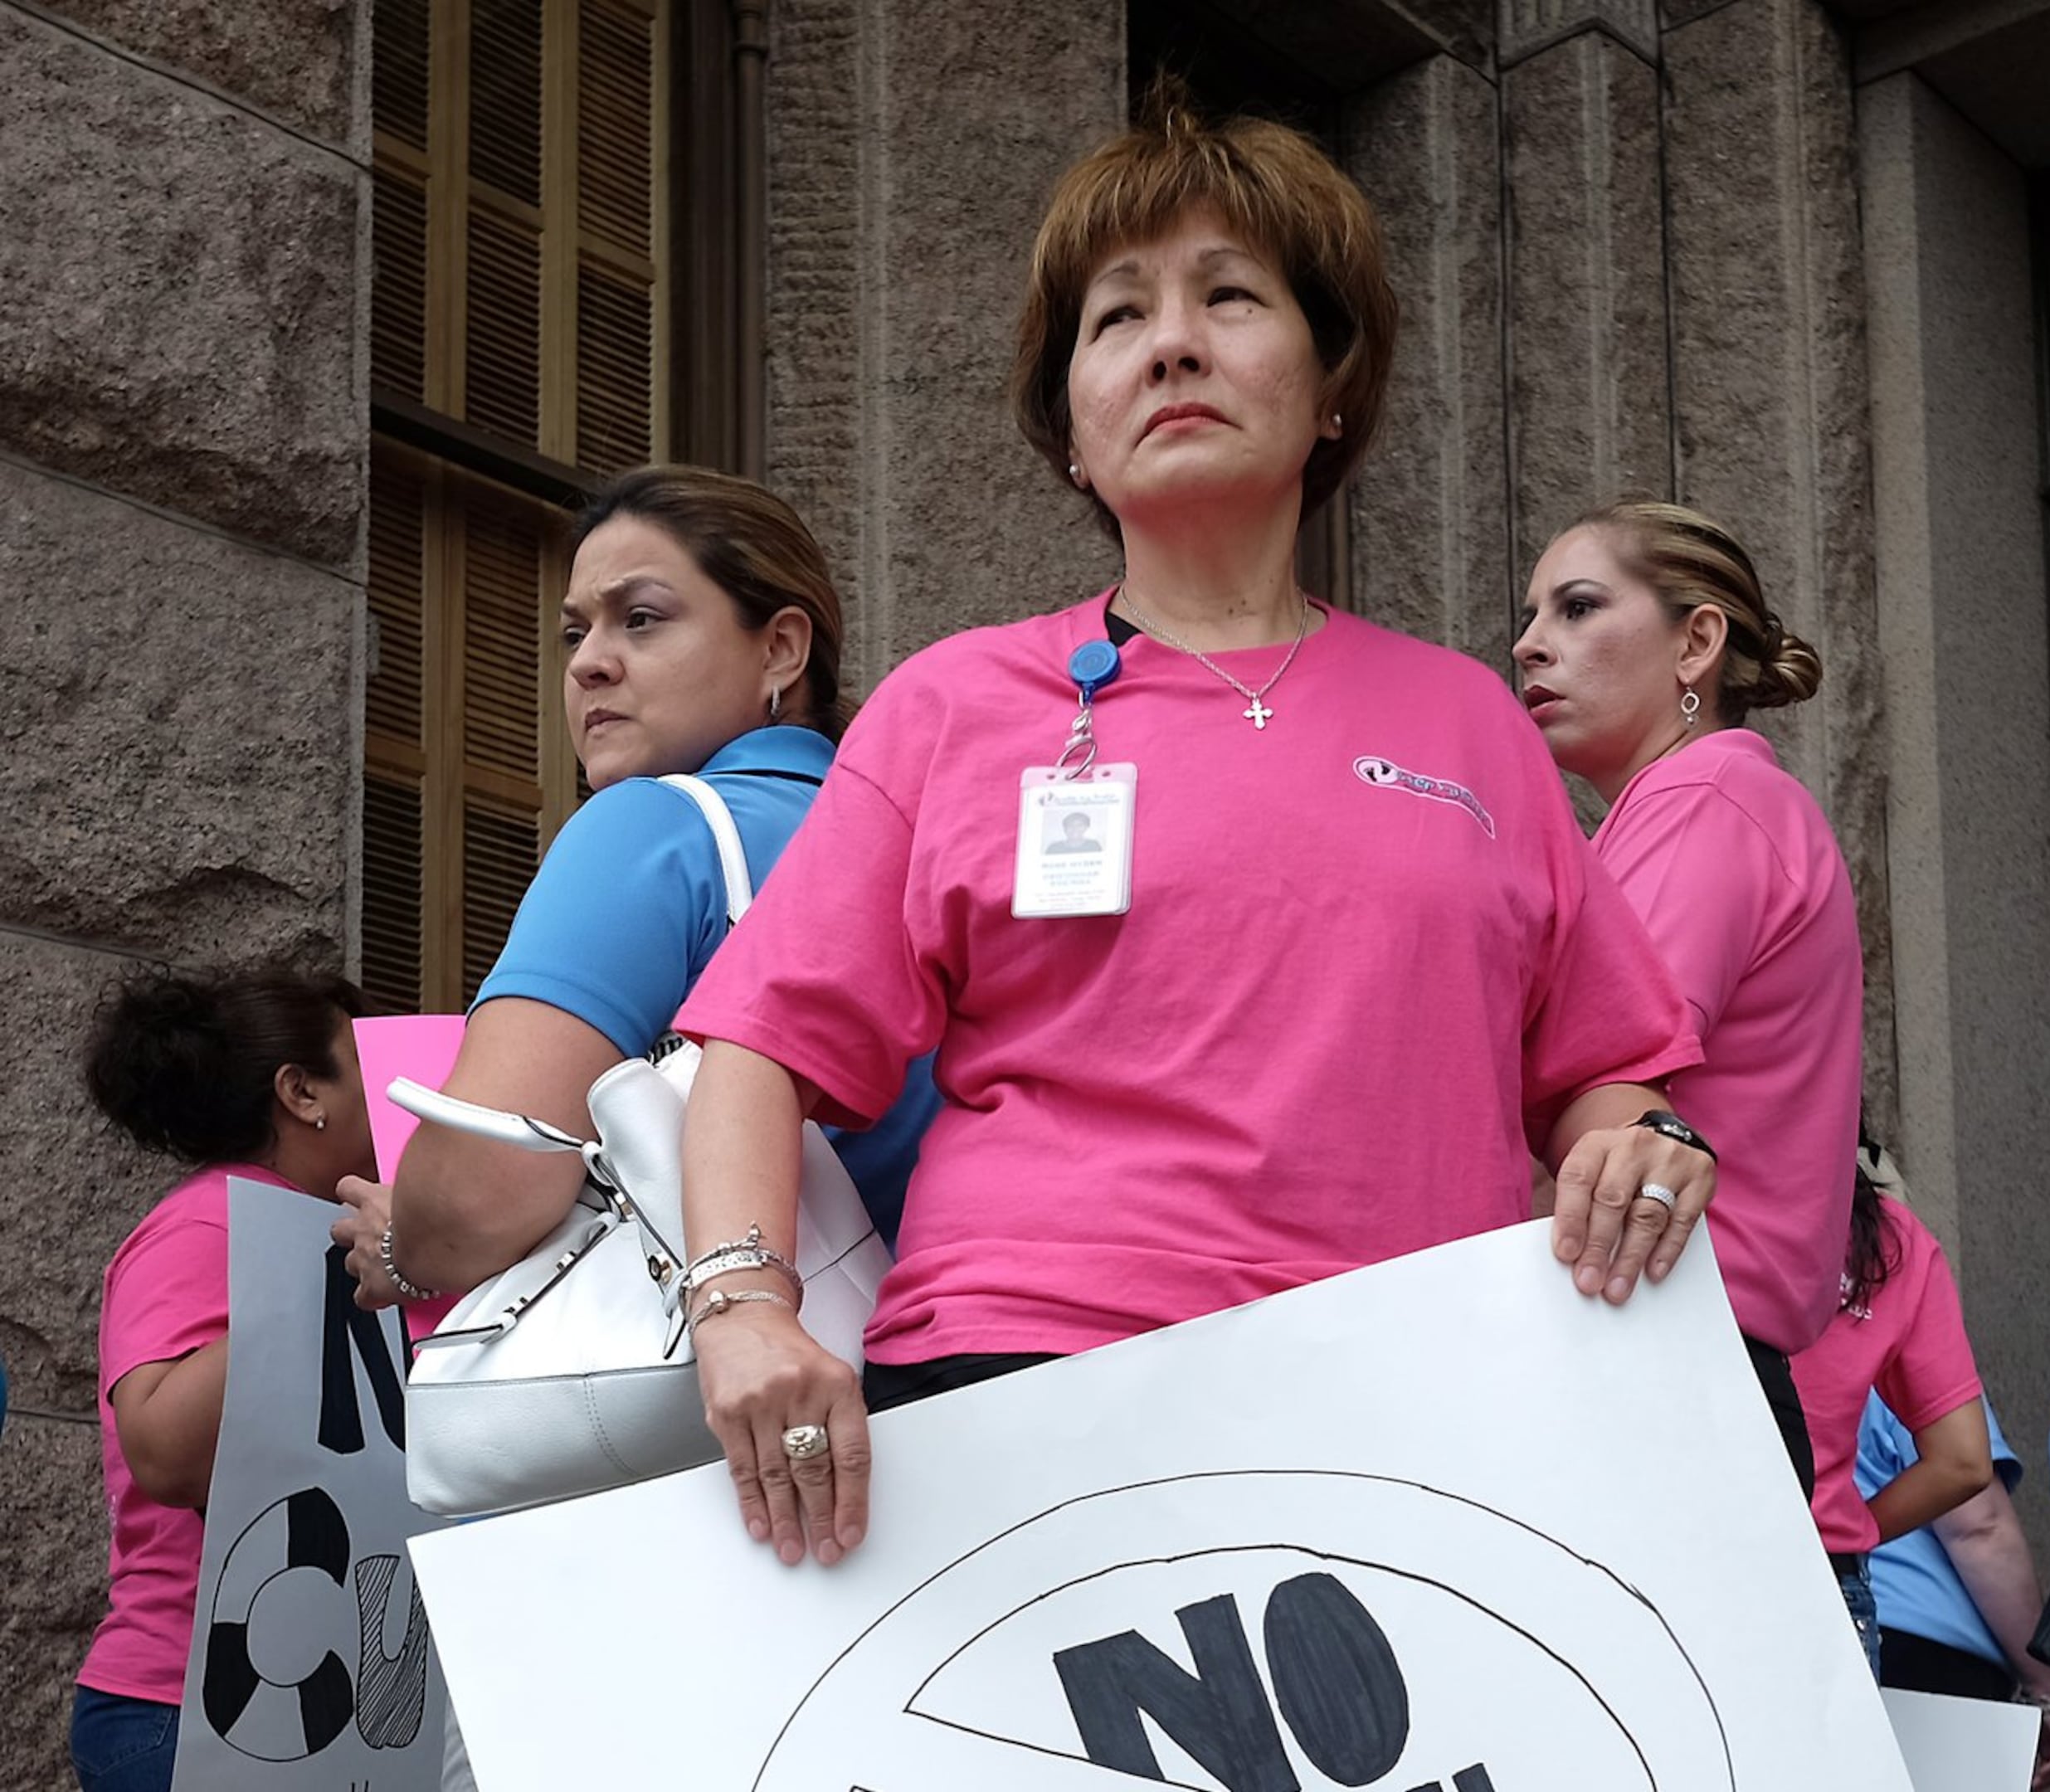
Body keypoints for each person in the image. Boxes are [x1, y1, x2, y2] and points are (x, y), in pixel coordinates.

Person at [669, 85, 1716, 1571]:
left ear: (1331, 384)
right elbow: (757, 1053)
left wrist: (1649, 1146)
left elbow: (1612, 1076)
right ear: (1074, 436)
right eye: (1117, 318)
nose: (1172, 342)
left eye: (1231, 295)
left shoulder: (1474, 722)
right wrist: (742, 1307)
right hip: (1022, 1404)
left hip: (1420, 1415)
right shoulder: (951, 704)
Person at [331, 465, 941, 1307]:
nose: (589, 664)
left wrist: (402, 1243)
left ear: (781, 648)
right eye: (573, 633)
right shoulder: (926, 839)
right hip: (971, 1374)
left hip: (741, 1397)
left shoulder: (653, 828)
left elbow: (483, 1190)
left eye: (641, 620)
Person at [1515, 499, 1860, 1491]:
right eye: (1533, 615)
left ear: (1696, 642)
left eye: (1577, 608)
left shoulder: (1702, 797)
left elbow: (1599, 1075)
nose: (1530, 644)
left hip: (1661, 1352)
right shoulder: (1702, 805)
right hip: (1680, 1351)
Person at [76, 968, 379, 1792]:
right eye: (363, 1061)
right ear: (301, 1092)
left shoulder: (351, 1239)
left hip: (300, 1706)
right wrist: (322, 1269)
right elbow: (166, 1453)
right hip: (190, 1709)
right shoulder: (205, 1222)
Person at [1787, 1139, 1995, 1673]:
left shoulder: (1673, 1202)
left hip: (1666, 1563)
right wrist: (1848, 1524)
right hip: (1825, 1576)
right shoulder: (1893, 1240)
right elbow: (1964, 1462)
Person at [1857, 1391, 2050, 1789]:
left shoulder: (1739, 1345)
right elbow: (1979, 1526)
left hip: (1796, 1642)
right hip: (1927, 1656)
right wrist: (2044, 1689)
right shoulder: (1896, 1335)